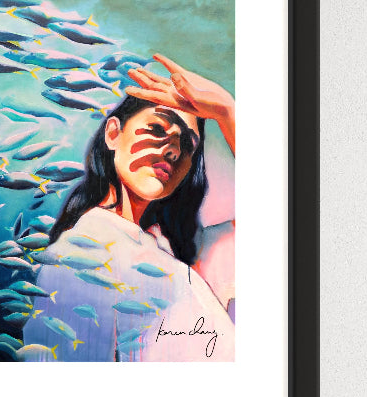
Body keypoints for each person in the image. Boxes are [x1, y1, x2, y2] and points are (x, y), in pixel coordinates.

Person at [22, 54, 236, 362]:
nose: (173, 149)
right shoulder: (82, 254)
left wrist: (228, 112)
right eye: (158, 128)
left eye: (187, 144)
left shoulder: (176, 249)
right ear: (113, 134)